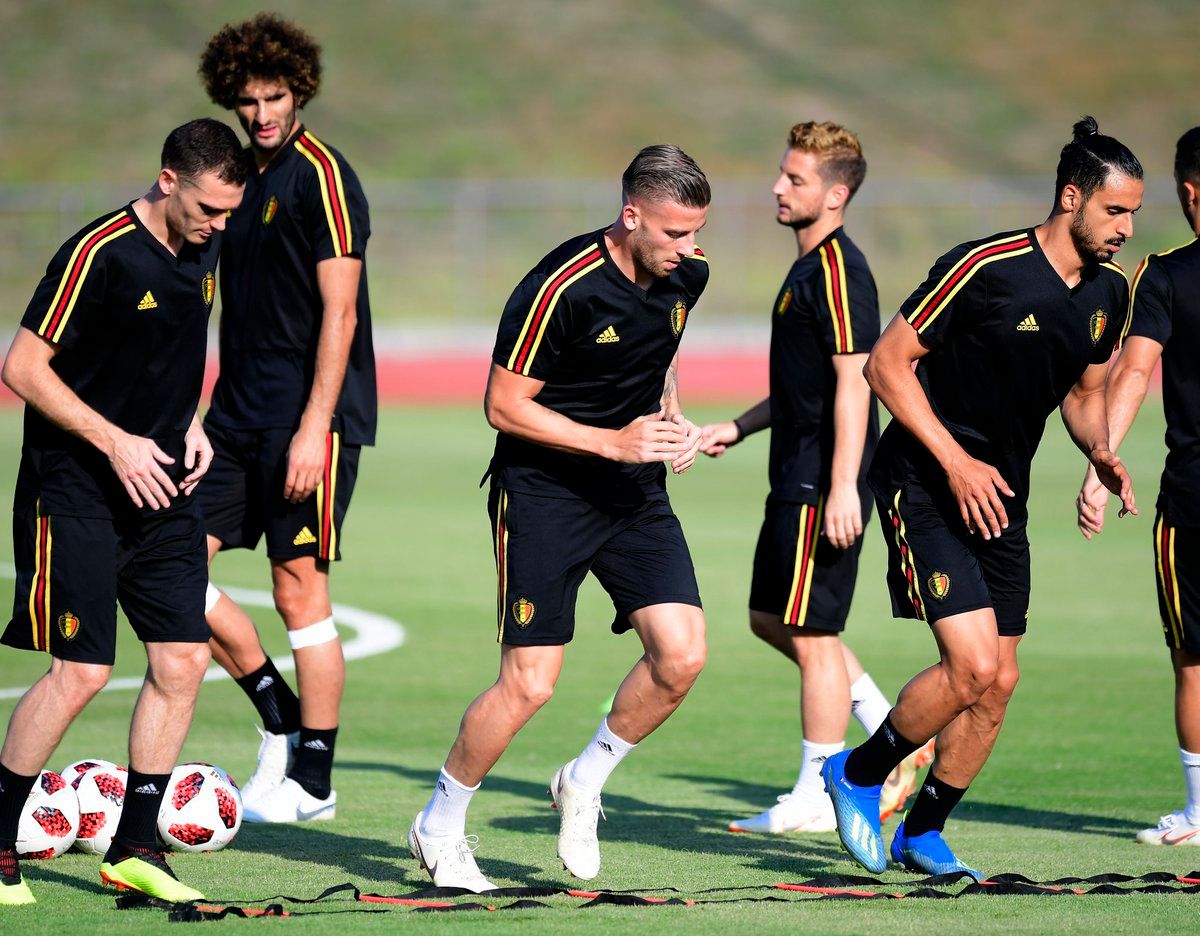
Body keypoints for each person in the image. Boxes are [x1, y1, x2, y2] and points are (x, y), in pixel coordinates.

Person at [821, 117, 1141, 877]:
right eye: (1115, 211)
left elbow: (1084, 391)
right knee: (969, 665)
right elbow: (885, 365)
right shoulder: (984, 267)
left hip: (1002, 494)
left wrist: (1099, 450)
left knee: (998, 683)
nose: (1127, 228)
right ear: (1071, 198)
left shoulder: (1109, 292)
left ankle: (923, 833)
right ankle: (856, 773)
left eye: (1133, 213)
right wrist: (957, 462)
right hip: (926, 480)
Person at [408, 145, 710, 892]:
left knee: (681, 657)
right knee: (530, 684)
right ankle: (439, 825)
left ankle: (583, 781)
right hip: (544, 494)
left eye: (697, 232)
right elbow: (501, 406)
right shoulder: (560, 287)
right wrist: (613, 441)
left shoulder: (687, 276)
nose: (689, 248)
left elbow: (659, 354)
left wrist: (671, 418)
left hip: (633, 494)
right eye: (674, 232)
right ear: (631, 215)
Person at [0, 119, 246, 905]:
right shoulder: (97, 253)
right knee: (82, 671)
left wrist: (191, 422)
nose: (219, 225)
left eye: (231, 212)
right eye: (208, 208)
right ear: (168, 181)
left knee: (183, 660)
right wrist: (115, 442)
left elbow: (166, 352)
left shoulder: (205, 247)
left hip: (164, 488)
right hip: (74, 490)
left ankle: (135, 847)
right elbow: (21, 367)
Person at [699, 122, 930, 835]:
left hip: (822, 483)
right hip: (794, 474)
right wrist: (737, 426)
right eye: (782, 172)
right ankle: (894, 734)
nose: (777, 186)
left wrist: (843, 486)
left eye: (794, 179)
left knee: (814, 633)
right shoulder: (807, 267)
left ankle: (818, 792)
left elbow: (856, 382)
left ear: (835, 195)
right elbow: (805, 386)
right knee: (771, 620)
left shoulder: (839, 270)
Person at [196, 13, 377, 822]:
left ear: (299, 90)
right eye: (248, 100)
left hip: (309, 422)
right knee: (168, 568)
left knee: (297, 588)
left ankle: (314, 780)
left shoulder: (324, 177)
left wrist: (314, 428)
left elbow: (341, 313)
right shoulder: (236, 179)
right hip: (231, 416)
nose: (262, 113)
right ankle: (279, 719)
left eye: (275, 97)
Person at [1077, 126, 1200, 848]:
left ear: (1188, 192)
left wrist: (1103, 460)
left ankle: (1199, 814)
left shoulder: (1166, 274)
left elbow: (1133, 369)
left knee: (1195, 659)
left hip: (1194, 501)